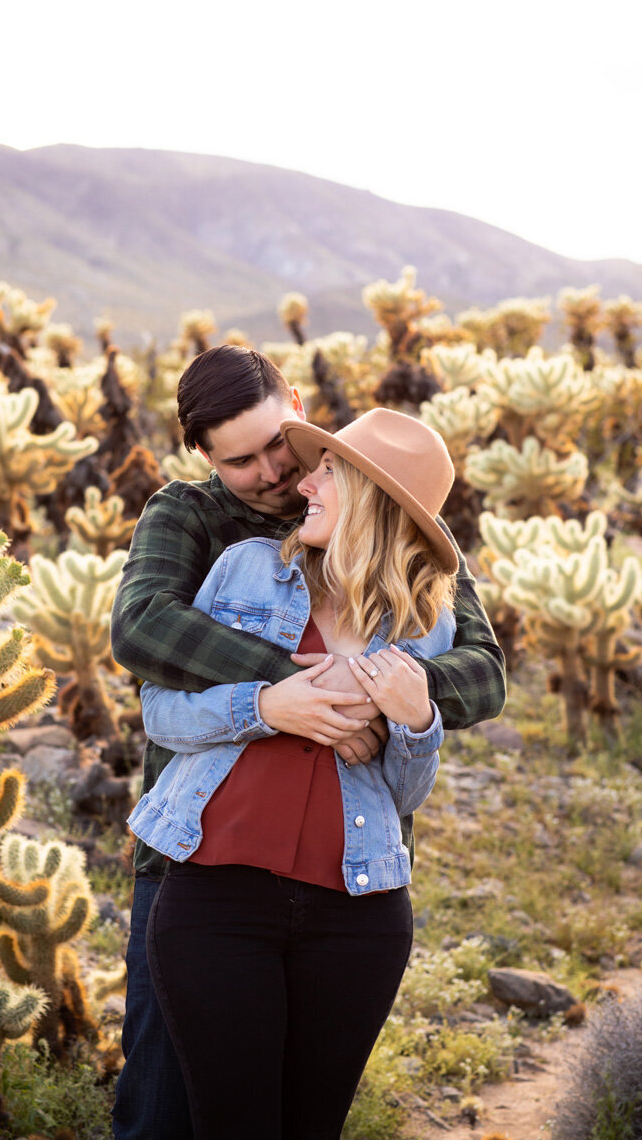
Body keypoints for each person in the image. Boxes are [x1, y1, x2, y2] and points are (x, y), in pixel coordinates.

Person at [110, 345, 505, 1140]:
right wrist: (290, 692)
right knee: (162, 1102)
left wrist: (386, 706)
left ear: (297, 404)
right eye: (242, 460)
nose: (277, 475)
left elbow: (483, 669)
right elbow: (143, 626)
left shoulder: (381, 505)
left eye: (280, 445)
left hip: (348, 868)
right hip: (200, 853)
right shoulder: (201, 524)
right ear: (204, 455)